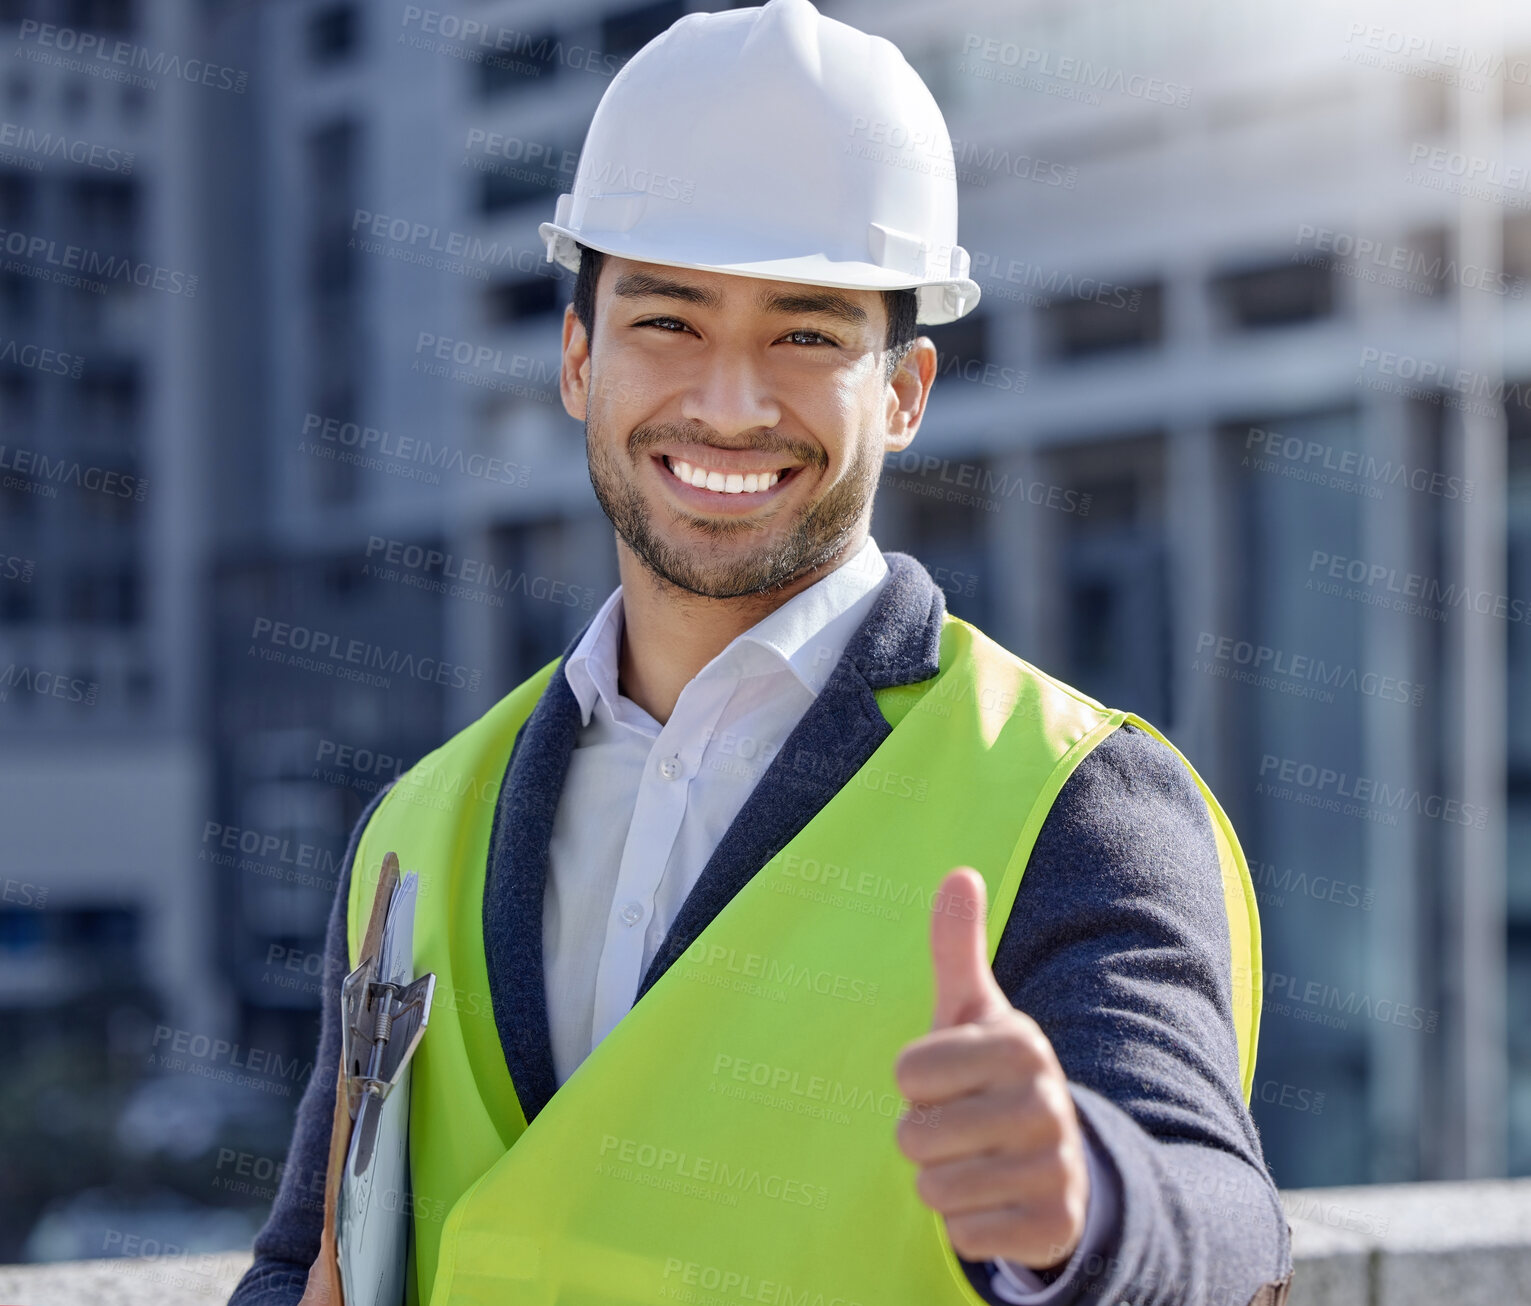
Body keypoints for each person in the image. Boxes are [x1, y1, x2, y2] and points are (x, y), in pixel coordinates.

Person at [228, 2, 1293, 1303]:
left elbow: (1223, 1206)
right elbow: (307, 1260)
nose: (728, 403)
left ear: (903, 391)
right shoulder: (420, 824)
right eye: (667, 322)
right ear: (577, 358)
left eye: (805, 333)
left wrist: (1088, 1200)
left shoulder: (1069, 797)